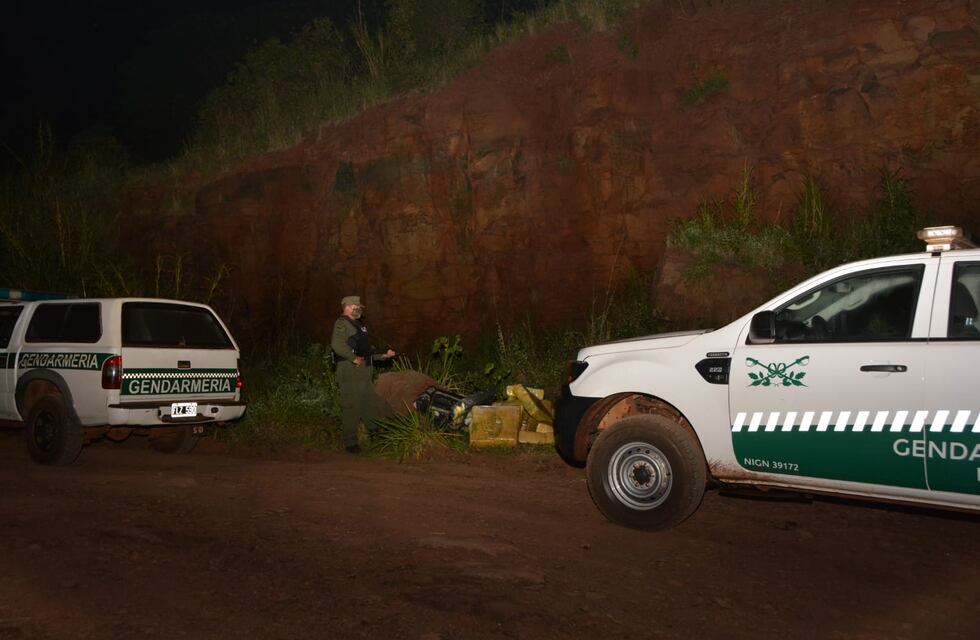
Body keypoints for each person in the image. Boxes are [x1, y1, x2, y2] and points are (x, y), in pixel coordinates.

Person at [330, 295, 396, 454]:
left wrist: (382, 356)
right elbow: (337, 345)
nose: (359, 308)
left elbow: (365, 351)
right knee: (352, 406)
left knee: (369, 403)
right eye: (356, 306)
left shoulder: (359, 326)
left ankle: (375, 434)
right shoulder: (342, 324)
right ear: (348, 306)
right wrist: (352, 358)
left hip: (363, 372)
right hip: (350, 370)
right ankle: (350, 443)